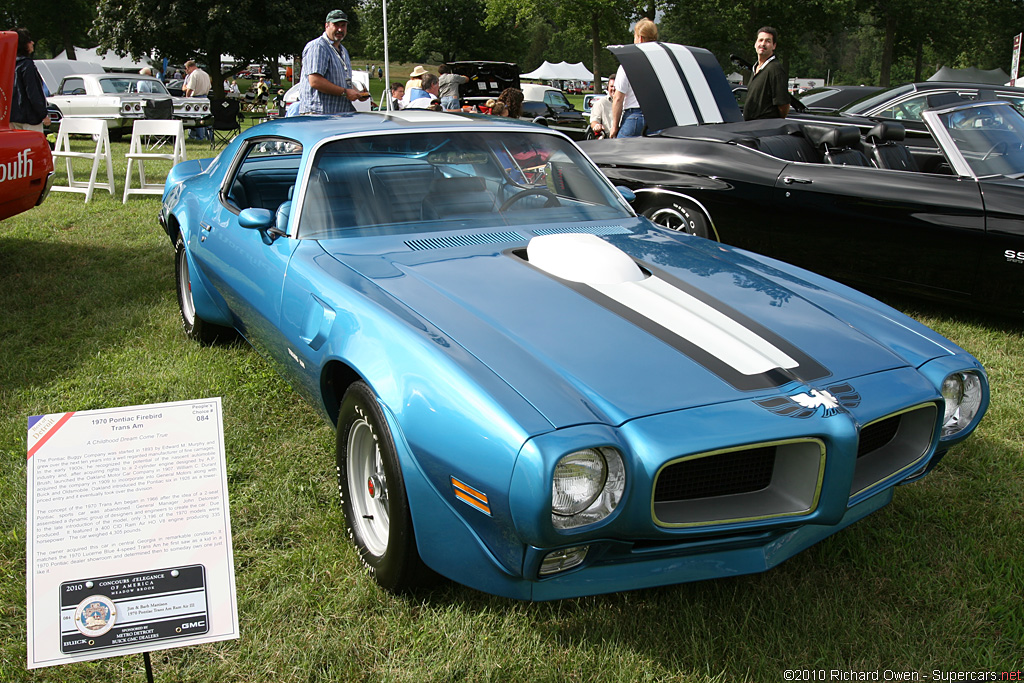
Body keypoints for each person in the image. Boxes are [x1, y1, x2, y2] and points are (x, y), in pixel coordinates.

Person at [298, 9, 369, 115]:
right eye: (336, 25)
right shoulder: (318, 46)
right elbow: (315, 81)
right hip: (319, 113)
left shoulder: (343, 50)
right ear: (327, 26)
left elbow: (345, 81)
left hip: (339, 113)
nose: (340, 29)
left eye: (343, 25)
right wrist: (345, 92)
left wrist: (358, 93)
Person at [610, 18, 658, 138]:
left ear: (640, 38)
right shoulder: (662, 63)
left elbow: (618, 98)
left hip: (634, 116)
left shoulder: (628, 63)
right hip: (656, 117)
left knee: (619, 153)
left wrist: (614, 127)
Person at [743, 26, 790, 120]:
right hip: (751, 126)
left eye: (768, 41)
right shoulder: (755, 68)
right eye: (760, 40)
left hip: (765, 127)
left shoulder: (775, 69)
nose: (763, 44)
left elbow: (783, 105)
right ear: (755, 44)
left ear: (774, 46)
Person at [10, 28, 50, 132]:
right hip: (29, 118)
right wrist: (43, 114)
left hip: (12, 117)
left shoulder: (8, 65)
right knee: (33, 147)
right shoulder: (27, 65)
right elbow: (33, 92)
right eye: (29, 41)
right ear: (23, 45)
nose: (32, 43)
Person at [183, 59, 212, 139]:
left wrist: (187, 97)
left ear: (189, 67)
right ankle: (208, 136)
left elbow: (190, 88)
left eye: (186, 68)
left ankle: (199, 137)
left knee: (196, 119)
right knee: (205, 118)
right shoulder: (205, 74)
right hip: (205, 98)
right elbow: (209, 87)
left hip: (196, 98)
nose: (186, 70)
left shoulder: (194, 75)